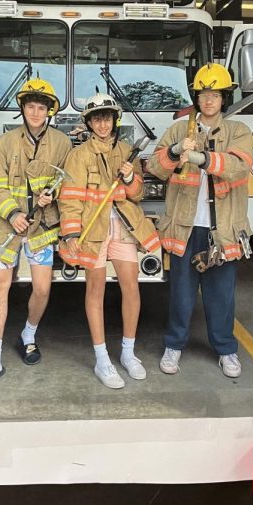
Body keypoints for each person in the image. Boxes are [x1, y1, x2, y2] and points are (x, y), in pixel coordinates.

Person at [146, 63, 253, 379]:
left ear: (224, 98)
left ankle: (226, 350)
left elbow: (238, 167)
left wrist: (202, 158)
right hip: (185, 227)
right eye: (203, 94)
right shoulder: (181, 129)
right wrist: (177, 150)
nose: (208, 101)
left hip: (223, 230)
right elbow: (155, 166)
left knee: (221, 295)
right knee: (181, 294)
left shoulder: (238, 131)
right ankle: (174, 346)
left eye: (215, 95)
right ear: (196, 96)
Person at [0, 78, 71, 391]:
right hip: (6, 227)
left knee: (42, 288)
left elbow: (66, 185)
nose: (36, 112)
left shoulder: (62, 144)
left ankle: (27, 335)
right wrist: (13, 214)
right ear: (23, 109)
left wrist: (50, 197)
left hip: (41, 228)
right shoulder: (4, 143)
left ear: (50, 110)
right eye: (31, 106)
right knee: (0, 286)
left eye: (42, 107)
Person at [59, 94, 161, 388]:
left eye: (106, 118)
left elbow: (138, 195)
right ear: (89, 123)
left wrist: (130, 179)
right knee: (96, 291)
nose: (102, 124)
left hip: (125, 229)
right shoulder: (78, 156)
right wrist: (71, 234)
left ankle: (128, 354)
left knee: (132, 287)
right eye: (96, 118)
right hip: (94, 233)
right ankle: (102, 359)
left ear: (114, 121)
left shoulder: (127, 151)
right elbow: (70, 199)